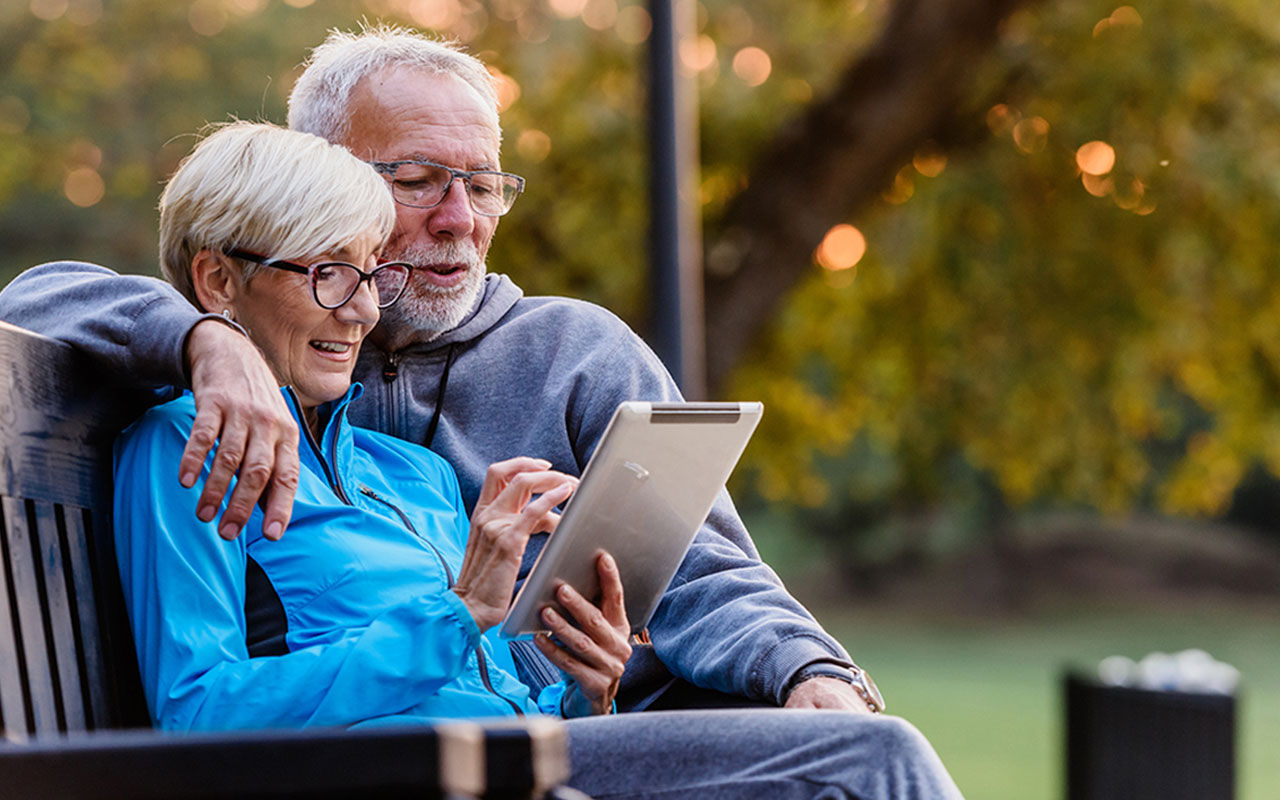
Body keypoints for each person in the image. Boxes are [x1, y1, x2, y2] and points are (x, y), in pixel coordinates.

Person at [1, 24, 875, 714]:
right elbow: (44, 297)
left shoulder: (570, 355)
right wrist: (207, 342)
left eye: (484, 183)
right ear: (326, 181)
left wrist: (807, 671)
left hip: (607, 732)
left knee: (860, 749)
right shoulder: (239, 367)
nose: (460, 218)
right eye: (417, 180)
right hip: (419, 765)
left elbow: (706, 571)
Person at [116, 119, 964, 799]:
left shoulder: (400, 469)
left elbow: (514, 668)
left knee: (840, 748)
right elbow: (197, 716)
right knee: (865, 762)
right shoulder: (181, 450)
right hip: (413, 777)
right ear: (219, 282)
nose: (360, 313)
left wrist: (583, 683)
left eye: (368, 276)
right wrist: (459, 614)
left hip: (536, 757)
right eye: (329, 276)